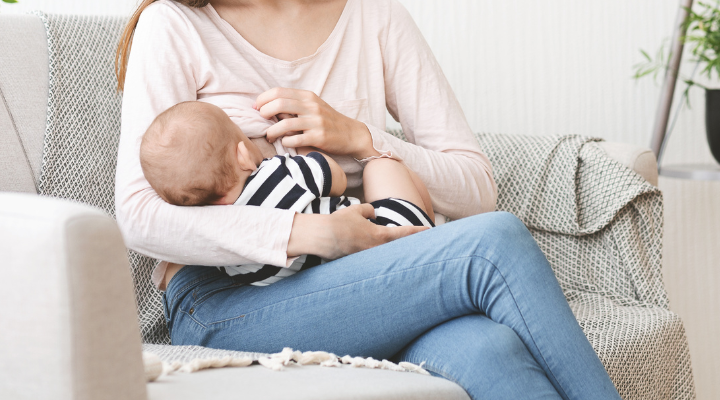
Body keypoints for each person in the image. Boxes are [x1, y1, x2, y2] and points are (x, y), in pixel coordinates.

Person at [114, 0, 622, 398]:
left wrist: (361, 137)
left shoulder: (377, 17)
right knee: (492, 245)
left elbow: (476, 187)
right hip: (228, 301)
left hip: (373, 277)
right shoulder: (174, 24)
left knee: (490, 349)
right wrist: (312, 233)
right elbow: (138, 218)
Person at [139, 100, 434, 286]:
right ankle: (430, 230)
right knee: (382, 164)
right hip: (382, 238)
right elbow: (337, 178)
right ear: (243, 155)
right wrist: (302, 149)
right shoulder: (276, 174)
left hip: (332, 280)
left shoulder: (224, 248)